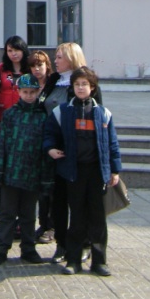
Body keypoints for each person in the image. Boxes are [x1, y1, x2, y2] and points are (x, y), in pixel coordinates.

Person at [44, 66, 122, 276]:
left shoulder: (103, 113)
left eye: (84, 84)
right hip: (73, 172)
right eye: (77, 84)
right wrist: (50, 149)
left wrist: (115, 170)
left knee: (97, 218)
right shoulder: (63, 111)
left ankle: (99, 262)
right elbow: (49, 134)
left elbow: (112, 145)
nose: (80, 88)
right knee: (76, 217)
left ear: (92, 87)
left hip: (97, 173)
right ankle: (73, 261)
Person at [38, 42, 103, 261]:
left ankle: (83, 243)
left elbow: (98, 116)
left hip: (77, 152)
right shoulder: (55, 80)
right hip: (52, 148)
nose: (54, 61)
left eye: (58, 57)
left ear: (71, 58)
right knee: (56, 200)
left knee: (79, 201)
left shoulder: (83, 82)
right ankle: (62, 243)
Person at [0, 73, 52, 266]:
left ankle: (28, 248)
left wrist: (45, 177)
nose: (29, 96)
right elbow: (1, 145)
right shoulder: (10, 115)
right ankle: (1, 249)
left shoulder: (42, 117)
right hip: (10, 173)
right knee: (7, 213)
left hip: (32, 174)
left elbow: (45, 149)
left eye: (33, 92)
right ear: (18, 92)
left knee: (28, 215)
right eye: (25, 92)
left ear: (38, 91)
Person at [27, 51, 54, 243]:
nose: (37, 69)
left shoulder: (53, 85)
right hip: (33, 140)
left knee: (48, 189)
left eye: (40, 65)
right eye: (34, 66)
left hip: (49, 139)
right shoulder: (30, 85)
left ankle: (49, 226)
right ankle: (40, 223)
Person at [0, 35, 30, 121]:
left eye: (16, 50)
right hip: (4, 115)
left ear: (23, 50)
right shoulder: (2, 68)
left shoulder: (30, 69)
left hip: (24, 115)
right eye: (10, 51)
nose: (13, 54)